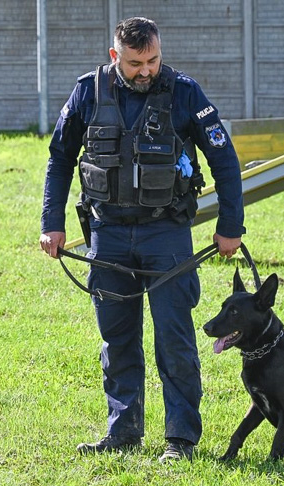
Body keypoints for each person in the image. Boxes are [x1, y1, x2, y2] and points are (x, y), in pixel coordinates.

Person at [39, 17, 245, 462]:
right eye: (135, 63)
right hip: (108, 232)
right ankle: (123, 431)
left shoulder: (185, 92)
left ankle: (181, 439)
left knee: (174, 338)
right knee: (116, 339)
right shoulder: (87, 91)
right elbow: (59, 159)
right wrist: (51, 222)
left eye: (153, 59)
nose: (146, 70)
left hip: (165, 232)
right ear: (116, 57)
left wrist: (231, 225)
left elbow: (225, 159)